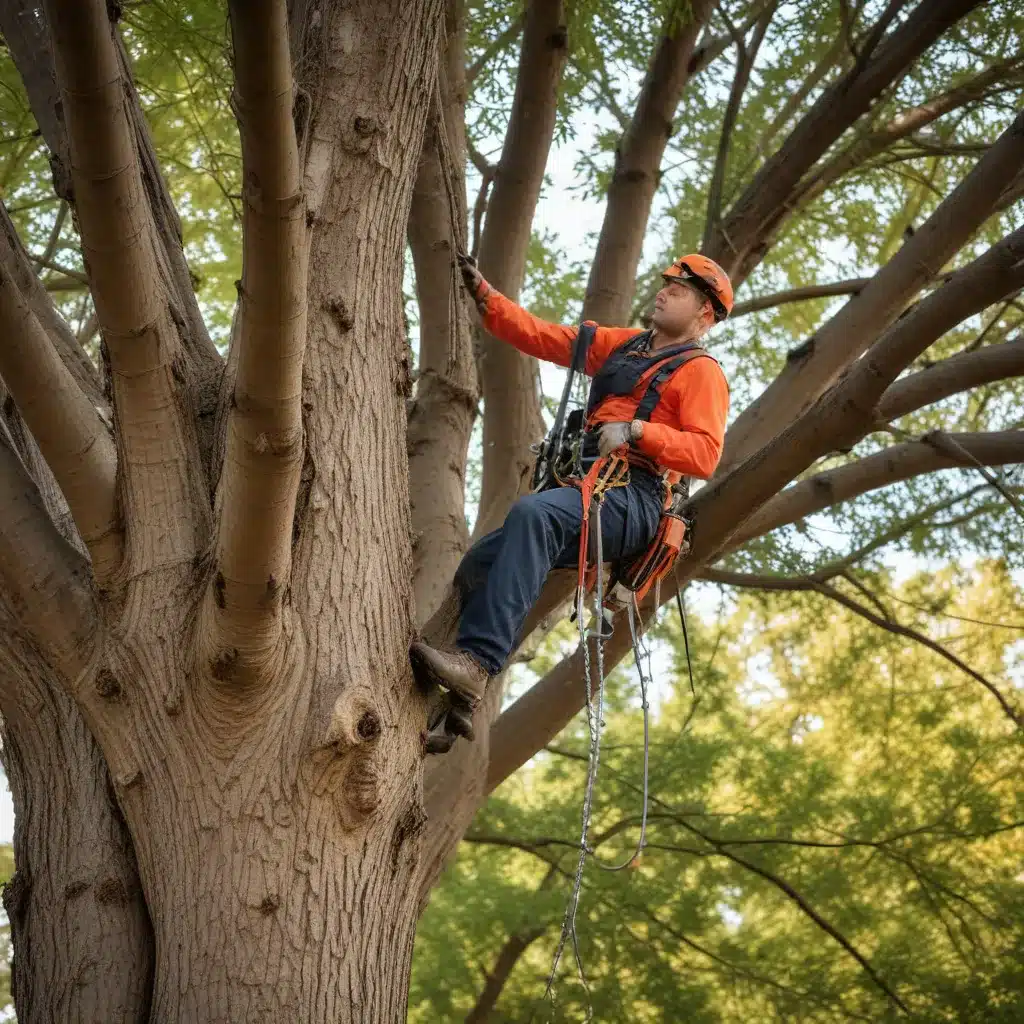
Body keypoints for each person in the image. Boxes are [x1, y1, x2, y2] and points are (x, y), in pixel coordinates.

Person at [411, 254, 732, 738]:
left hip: (634, 498)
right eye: (666, 284)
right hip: (588, 489)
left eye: (679, 290)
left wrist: (639, 430)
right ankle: (454, 707)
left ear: (704, 315)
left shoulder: (701, 371)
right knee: (479, 564)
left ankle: (477, 664)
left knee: (533, 516)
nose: (664, 292)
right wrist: (486, 297)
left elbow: (705, 453)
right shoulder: (626, 346)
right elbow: (546, 337)